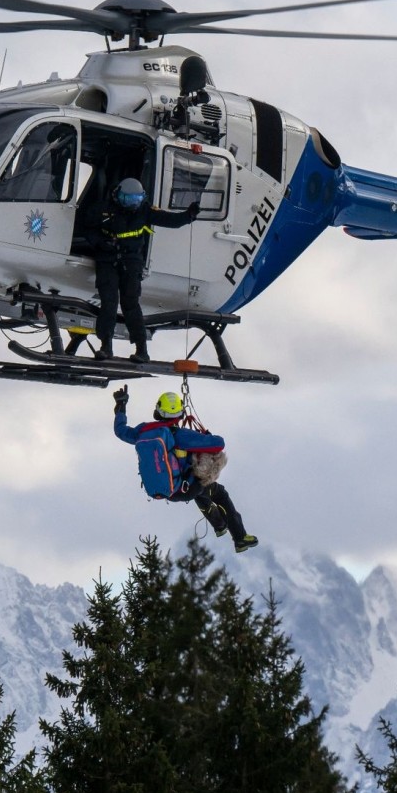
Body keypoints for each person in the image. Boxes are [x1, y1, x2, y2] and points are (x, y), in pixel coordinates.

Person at [113, 385, 259, 553]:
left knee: (202, 490)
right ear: (180, 413)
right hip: (185, 488)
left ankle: (220, 526)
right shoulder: (180, 435)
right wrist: (206, 436)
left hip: (168, 490)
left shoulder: (144, 431)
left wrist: (121, 407)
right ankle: (240, 538)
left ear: (158, 411)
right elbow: (219, 443)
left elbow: (120, 431)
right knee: (219, 494)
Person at [88, 177, 199, 362]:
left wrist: (188, 216)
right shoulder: (103, 209)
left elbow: (169, 219)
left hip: (131, 260)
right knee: (109, 302)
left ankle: (142, 350)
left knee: (130, 304)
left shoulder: (145, 211)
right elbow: (87, 226)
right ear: (117, 196)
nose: (132, 204)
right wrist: (100, 242)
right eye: (128, 200)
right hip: (106, 258)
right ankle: (106, 346)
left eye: (136, 200)